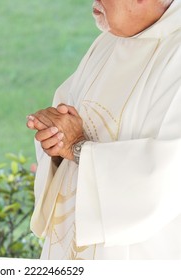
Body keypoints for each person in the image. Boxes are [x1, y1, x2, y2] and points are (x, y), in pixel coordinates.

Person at [26, 0, 181, 259]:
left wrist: (76, 147)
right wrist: (55, 136)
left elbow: (169, 173)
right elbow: (68, 119)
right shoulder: (109, 42)